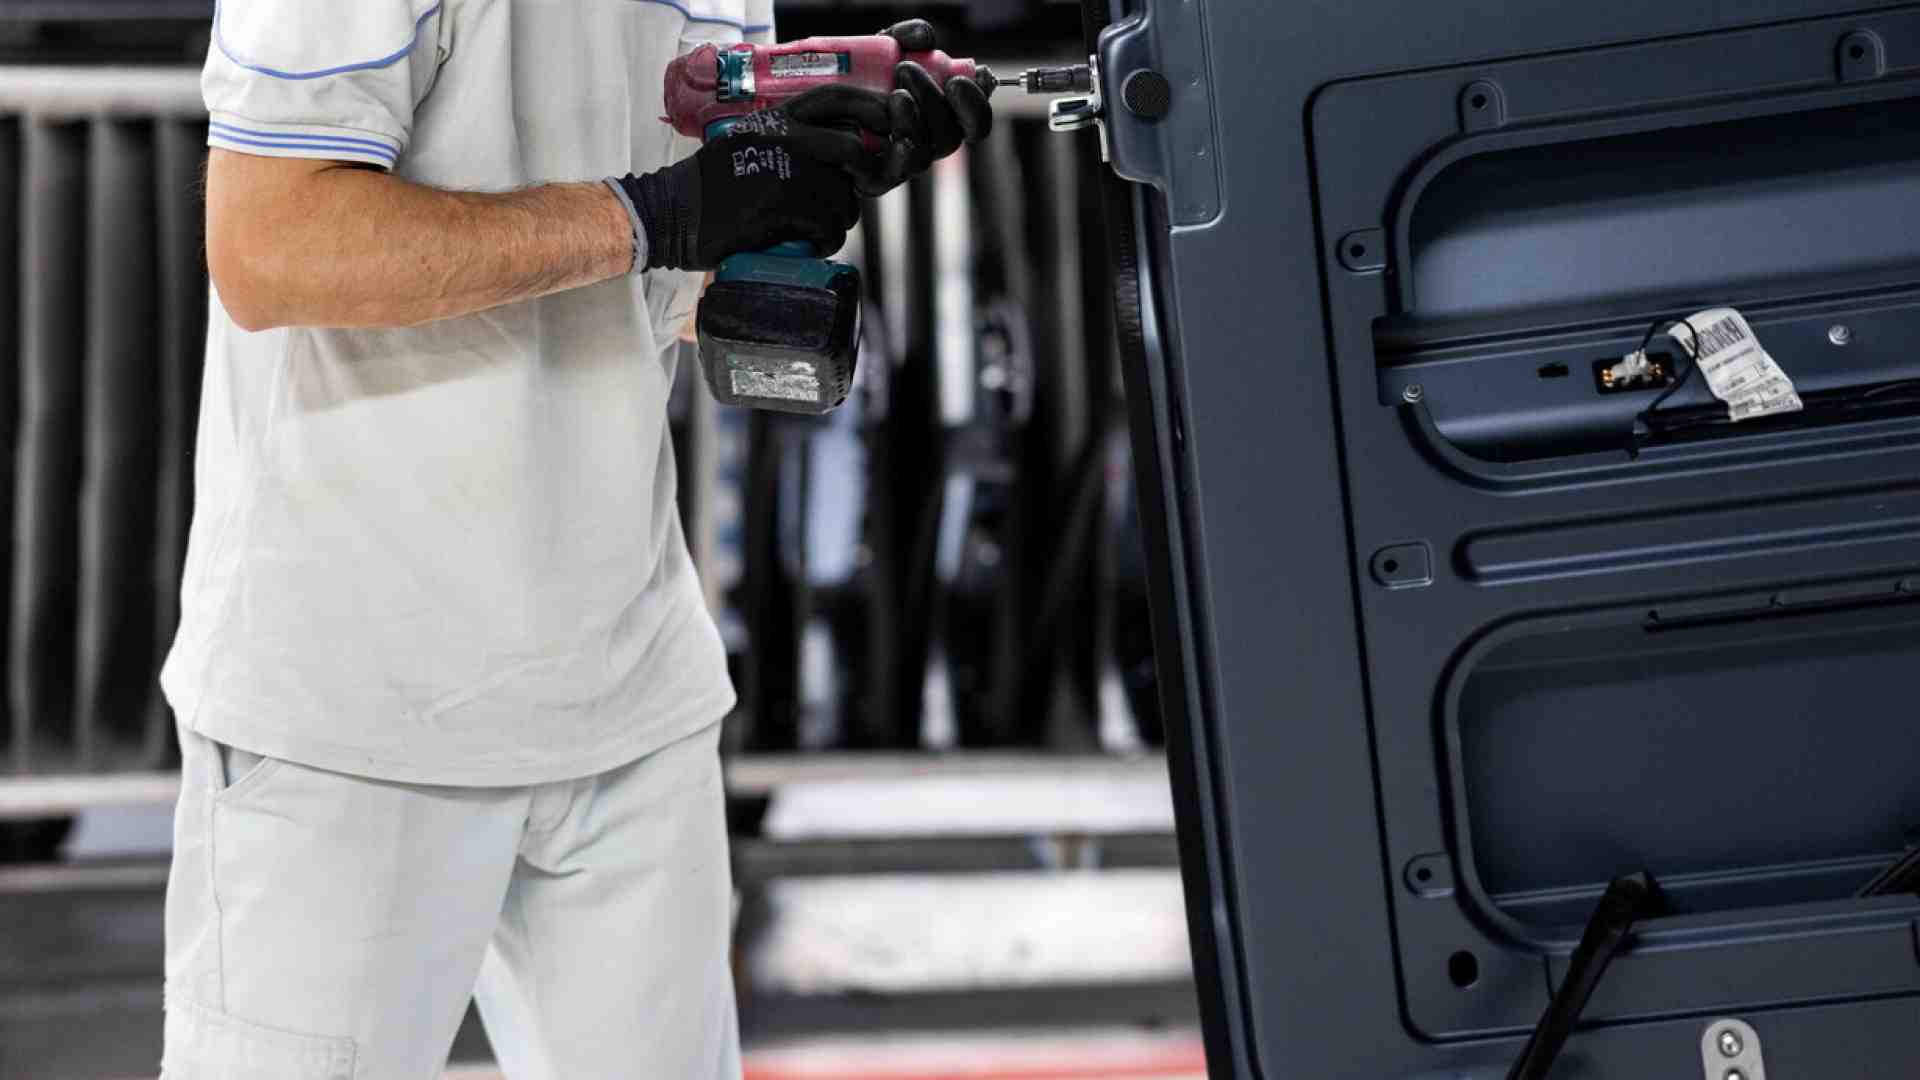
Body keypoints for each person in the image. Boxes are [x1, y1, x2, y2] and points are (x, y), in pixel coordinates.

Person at [158, 3, 989, 1077]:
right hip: (353, 718)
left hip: (626, 693)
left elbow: (661, 288)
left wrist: (807, 181)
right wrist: (652, 215)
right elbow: (271, 246)